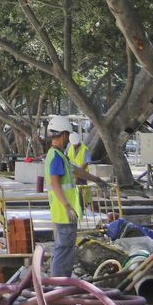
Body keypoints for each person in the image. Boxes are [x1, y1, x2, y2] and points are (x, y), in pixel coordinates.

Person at [44, 116, 99, 277]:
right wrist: (67, 207)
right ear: (63, 134)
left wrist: (96, 179)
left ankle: (62, 281)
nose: (68, 139)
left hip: (65, 212)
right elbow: (55, 183)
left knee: (66, 249)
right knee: (64, 249)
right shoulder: (56, 156)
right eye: (68, 135)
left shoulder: (60, 155)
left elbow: (77, 170)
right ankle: (59, 283)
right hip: (64, 212)